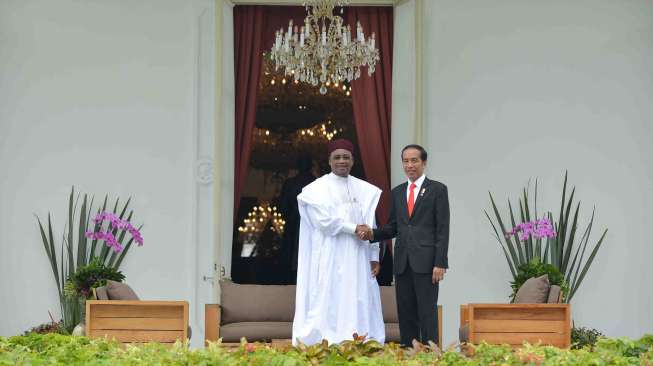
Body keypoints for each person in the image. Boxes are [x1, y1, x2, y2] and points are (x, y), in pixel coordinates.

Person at [292, 138, 385, 345]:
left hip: (358, 255)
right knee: (330, 296)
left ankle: (357, 340)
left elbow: (371, 224)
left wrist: (374, 255)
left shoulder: (364, 189)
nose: (341, 161)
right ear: (329, 161)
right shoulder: (316, 189)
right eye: (337, 157)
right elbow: (323, 222)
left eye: (346, 157)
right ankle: (327, 343)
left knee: (358, 296)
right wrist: (353, 228)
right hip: (329, 254)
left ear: (353, 161)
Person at [364, 144, 450, 347]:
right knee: (406, 311)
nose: (409, 165)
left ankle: (431, 356)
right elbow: (393, 227)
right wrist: (372, 234)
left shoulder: (437, 189)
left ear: (424, 162)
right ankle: (408, 354)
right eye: (405, 161)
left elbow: (443, 229)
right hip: (402, 263)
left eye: (414, 160)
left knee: (427, 311)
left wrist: (440, 262)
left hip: (427, 263)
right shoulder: (397, 192)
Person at [278, 155, 316, 284]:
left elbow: (282, 208)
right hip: (312, 227)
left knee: (291, 261)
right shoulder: (318, 183)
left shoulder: (290, 183)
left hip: (294, 226)